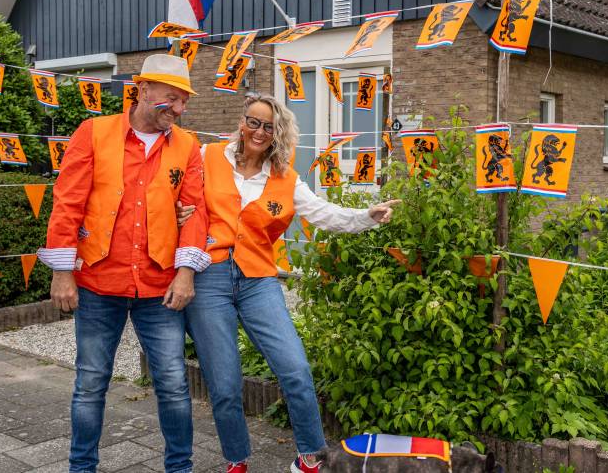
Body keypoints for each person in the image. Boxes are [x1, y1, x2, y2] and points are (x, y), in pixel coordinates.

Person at [181, 93, 400, 473]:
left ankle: (310, 456)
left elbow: (325, 214)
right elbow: (178, 194)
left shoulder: (286, 178)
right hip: (209, 275)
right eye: (253, 121)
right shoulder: (207, 155)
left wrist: (368, 215)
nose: (259, 131)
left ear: (278, 134)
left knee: (295, 369)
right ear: (242, 121)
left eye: (269, 126)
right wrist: (178, 209)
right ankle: (236, 458)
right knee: (224, 383)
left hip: (259, 279)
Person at [39, 54, 207, 473]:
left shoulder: (187, 146)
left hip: (160, 286)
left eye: (184, 101)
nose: (180, 109)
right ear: (143, 90)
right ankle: (82, 468)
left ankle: (180, 469)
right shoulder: (93, 133)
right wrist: (63, 271)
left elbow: (196, 210)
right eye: (173, 98)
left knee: (171, 383)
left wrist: (186, 273)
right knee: (91, 383)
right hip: (97, 282)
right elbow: (68, 202)